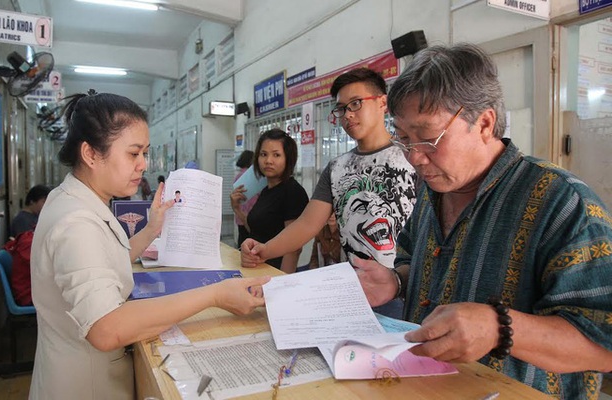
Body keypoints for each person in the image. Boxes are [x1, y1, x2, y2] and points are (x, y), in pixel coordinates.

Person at [354, 43, 612, 398]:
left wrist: (498, 327)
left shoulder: (562, 203)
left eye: (428, 138)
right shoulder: (433, 193)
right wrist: (396, 282)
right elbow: (418, 264)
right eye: (404, 137)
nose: (414, 157)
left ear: (485, 123)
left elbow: (603, 341)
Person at [29, 91, 270, 400]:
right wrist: (215, 294)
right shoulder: (76, 223)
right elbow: (106, 328)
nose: (143, 164)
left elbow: (105, 261)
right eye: (133, 153)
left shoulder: (74, 198)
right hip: (86, 385)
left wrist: (152, 229)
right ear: (90, 154)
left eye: (145, 153)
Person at [241, 68, 416, 271]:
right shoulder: (336, 168)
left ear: (382, 103)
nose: (348, 115)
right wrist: (264, 250)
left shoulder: (413, 157)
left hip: (403, 288)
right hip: (351, 286)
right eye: (341, 108)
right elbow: (307, 224)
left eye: (356, 103)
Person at [231, 128, 308, 272]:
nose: (268, 161)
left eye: (276, 155)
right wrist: (237, 209)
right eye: (263, 154)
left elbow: (294, 248)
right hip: (255, 268)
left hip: (274, 272)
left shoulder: (293, 192)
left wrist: (282, 281)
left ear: (288, 159)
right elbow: (256, 229)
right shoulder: (266, 190)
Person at [232, 150, 258, 247]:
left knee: (242, 242)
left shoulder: (238, 176)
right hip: (251, 217)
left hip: (240, 216)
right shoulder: (254, 177)